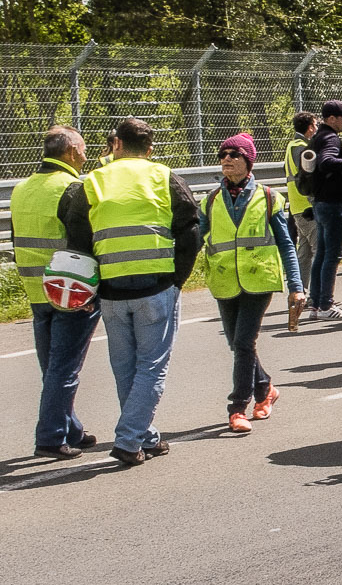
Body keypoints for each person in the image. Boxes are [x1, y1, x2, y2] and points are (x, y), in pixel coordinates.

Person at [59, 117, 203, 466]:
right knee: (151, 367)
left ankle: (144, 436)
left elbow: (77, 240)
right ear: (150, 149)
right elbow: (191, 232)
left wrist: (88, 288)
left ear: (117, 144)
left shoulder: (92, 182)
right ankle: (128, 440)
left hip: (111, 290)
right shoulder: (165, 177)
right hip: (156, 285)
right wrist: (177, 280)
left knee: (124, 366)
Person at [200, 134, 306, 434]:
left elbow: (286, 244)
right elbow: (196, 239)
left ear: (248, 161)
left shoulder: (268, 197)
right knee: (236, 343)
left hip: (259, 280)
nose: (227, 159)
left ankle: (237, 408)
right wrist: (173, 278)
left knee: (244, 343)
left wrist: (296, 286)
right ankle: (265, 388)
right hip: (224, 280)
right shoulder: (211, 200)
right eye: (223, 154)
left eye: (234, 154)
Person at [17, 126, 101, 459]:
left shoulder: (22, 188)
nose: (85, 155)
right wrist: (91, 290)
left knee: (52, 366)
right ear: (70, 152)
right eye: (83, 150)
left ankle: (71, 429)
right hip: (70, 292)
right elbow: (84, 242)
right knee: (64, 368)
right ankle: (50, 438)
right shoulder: (72, 188)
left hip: (36, 290)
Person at [306, 99, 342, 319]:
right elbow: (326, 161)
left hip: (321, 202)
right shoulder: (330, 138)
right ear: (331, 119)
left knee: (321, 254)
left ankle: (315, 304)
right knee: (331, 256)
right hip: (334, 204)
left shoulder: (318, 136)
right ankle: (326, 304)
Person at [284, 112, 317, 310]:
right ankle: (317, 296)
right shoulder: (302, 148)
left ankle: (299, 293)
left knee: (304, 253)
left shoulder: (292, 145)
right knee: (319, 250)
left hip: (297, 205)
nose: (316, 128)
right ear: (310, 127)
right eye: (315, 125)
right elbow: (306, 177)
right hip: (306, 206)